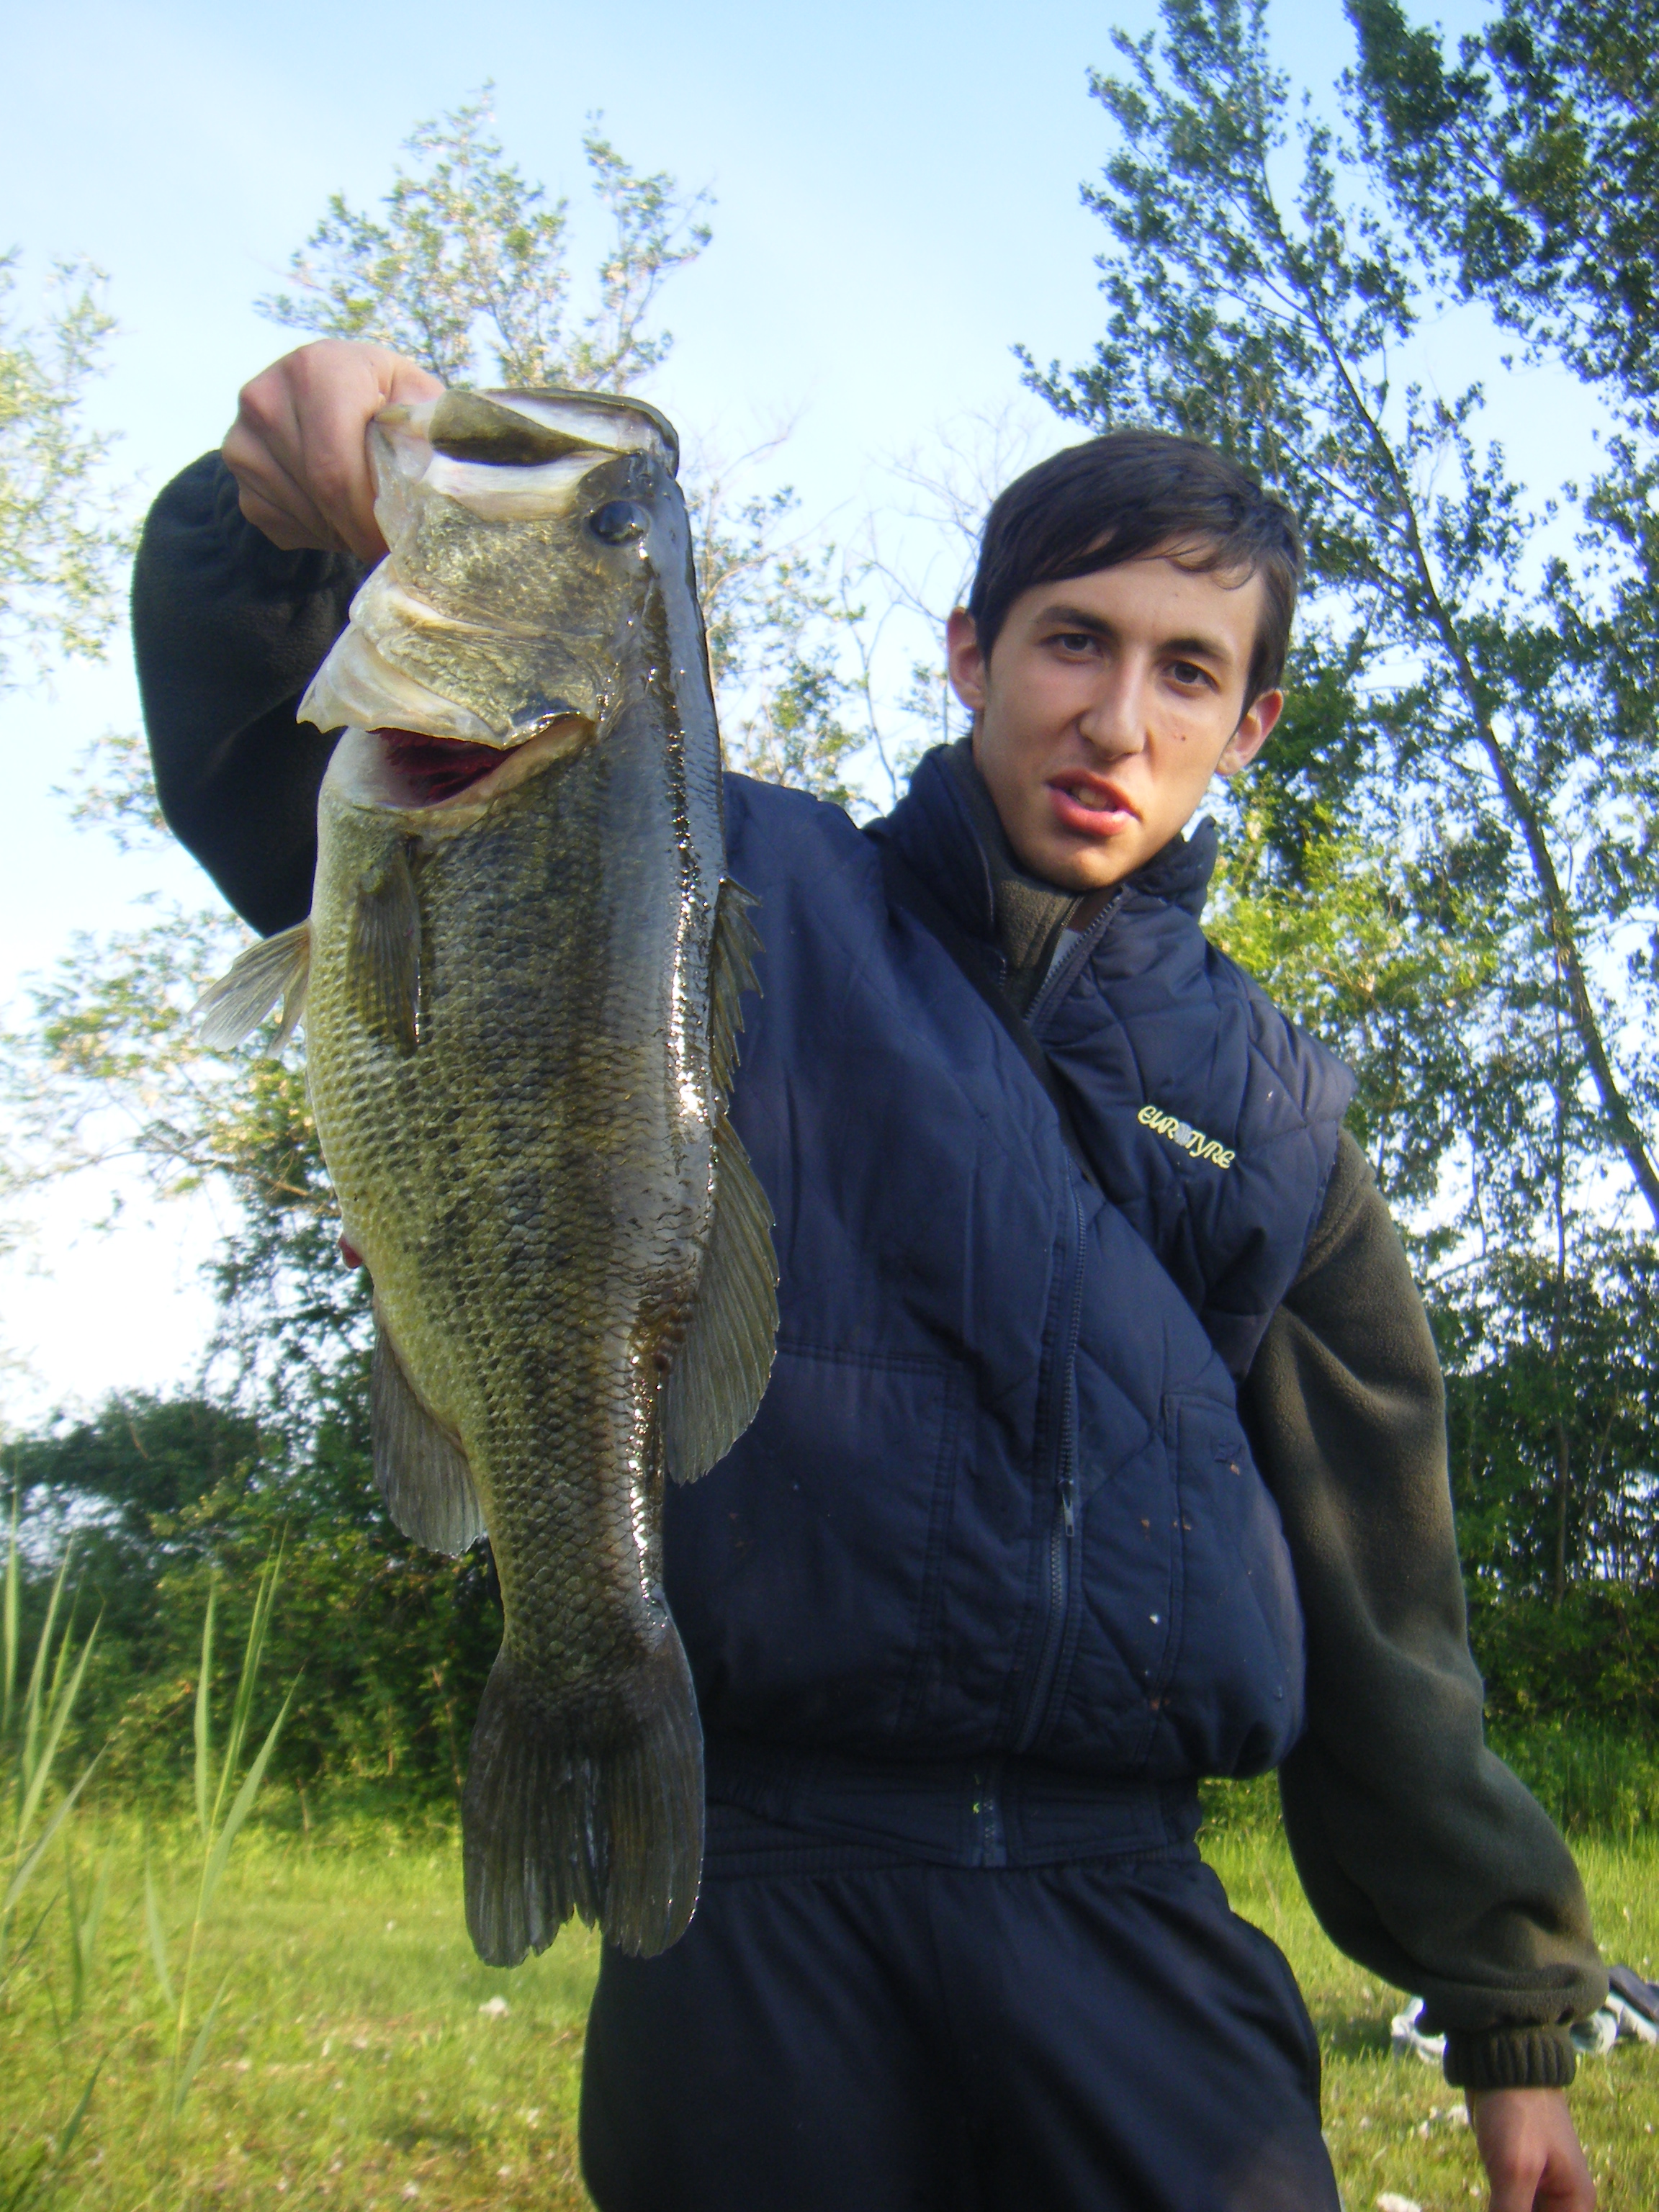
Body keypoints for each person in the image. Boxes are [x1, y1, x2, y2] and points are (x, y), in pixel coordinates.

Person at [132, 338, 1606, 2212]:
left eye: (1187, 671)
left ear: (1250, 728)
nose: (1117, 718)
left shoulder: (1281, 1118)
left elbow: (1385, 1603)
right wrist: (265, 527)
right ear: (971, 655)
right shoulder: (718, 882)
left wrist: (1507, 2011)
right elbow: (313, 799)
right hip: (758, 1900)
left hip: (1128, 1906)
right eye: (1072, 641)